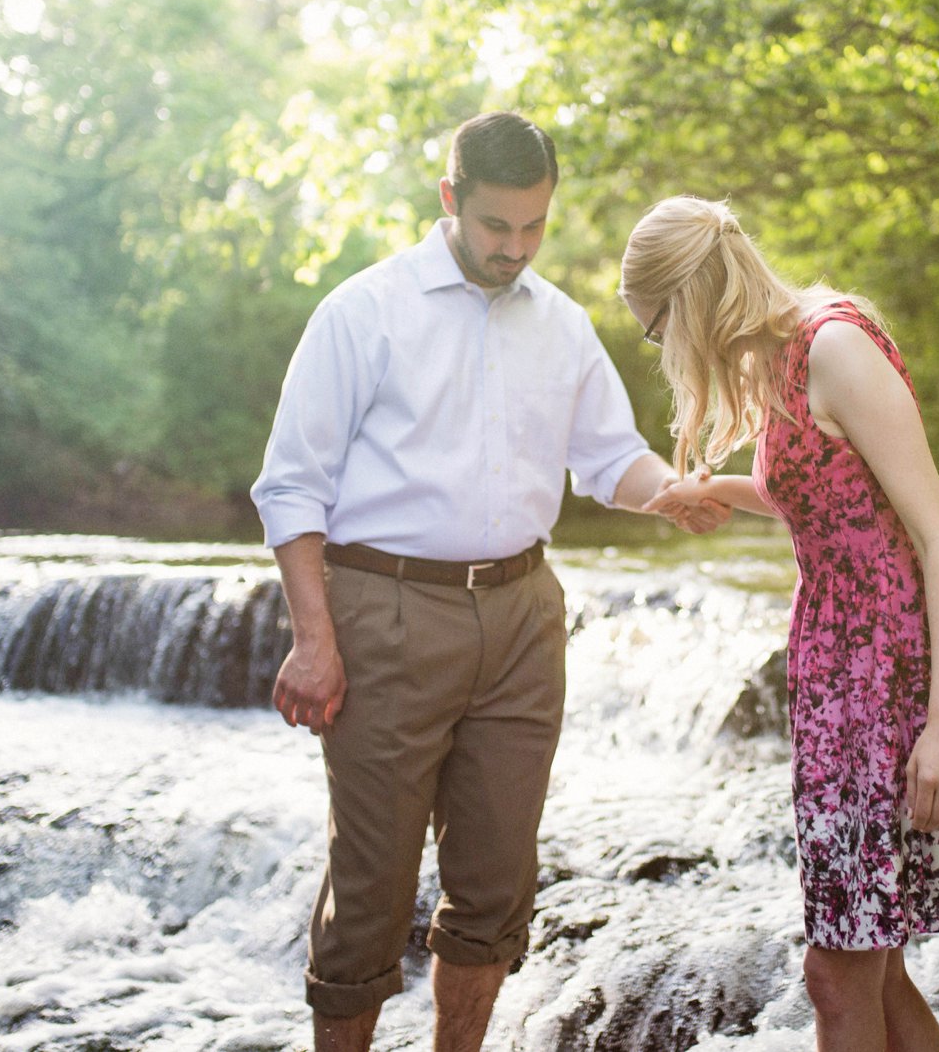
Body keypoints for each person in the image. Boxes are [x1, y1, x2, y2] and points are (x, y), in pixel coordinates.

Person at [251, 114, 729, 1052]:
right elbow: (291, 487)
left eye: (534, 227)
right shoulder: (363, 311)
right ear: (450, 201)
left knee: (499, 880)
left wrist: (670, 493)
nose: (514, 249)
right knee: (374, 882)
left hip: (521, 619)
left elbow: (608, 457)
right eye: (496, 227)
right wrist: (314, 638)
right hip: (384, 611)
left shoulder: (560, 325)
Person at [623, 195, 939, 1052]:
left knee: (841, 970)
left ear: (690, 297)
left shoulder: (834, 346)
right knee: (866, 970)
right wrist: (719, 493)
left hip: (894, 680)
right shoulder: (776, 358)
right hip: (839, 687)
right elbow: (830, 506)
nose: (663, 349)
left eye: (655, 327)